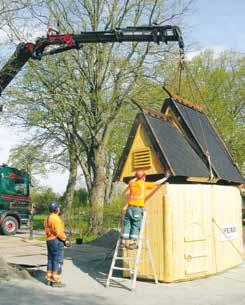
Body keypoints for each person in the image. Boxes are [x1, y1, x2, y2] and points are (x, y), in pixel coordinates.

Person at [120, 169, 171, 250]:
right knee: (136, 225)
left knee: (127, 224)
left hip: (129, 208)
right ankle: (132, 243)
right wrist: (166, 177)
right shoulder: (144, 184)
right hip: (137, 209)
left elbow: (132, 180)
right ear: (143, 177)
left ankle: (122, 243)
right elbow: (156, 183)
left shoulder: (131, 183)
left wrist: (136, 177)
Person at [44, 202, 71, 287]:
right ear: (55, 209)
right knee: (57, 260)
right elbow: (59, 232)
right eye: (58, 208)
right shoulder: (56, 218)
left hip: (49, 240)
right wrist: (65, 239)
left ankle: (49, 279)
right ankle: (55, 281)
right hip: (56, 241)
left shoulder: (47, 218)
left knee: (50, 260)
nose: (59, 209)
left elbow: (50, 229)